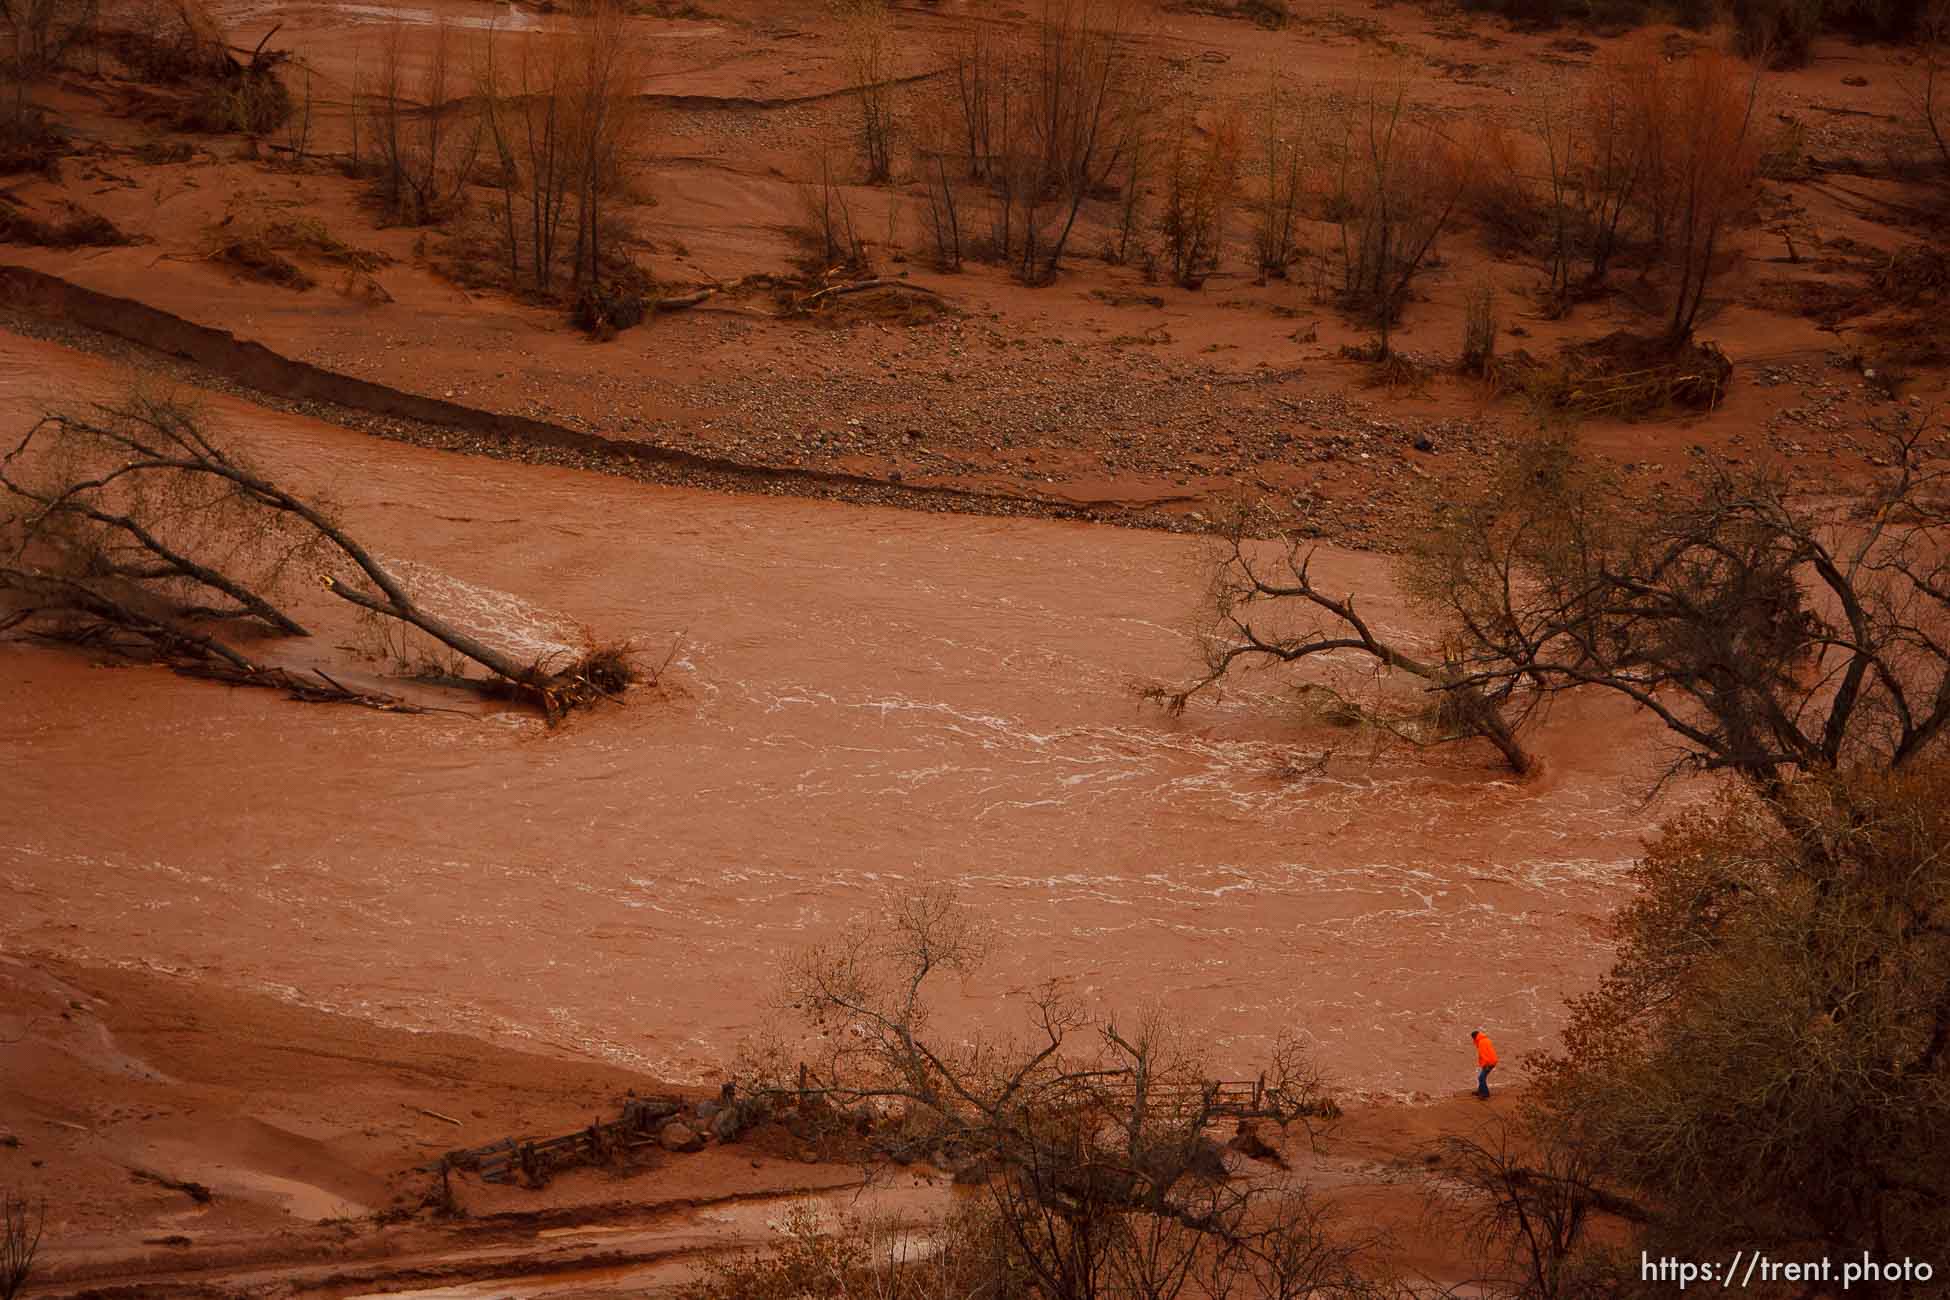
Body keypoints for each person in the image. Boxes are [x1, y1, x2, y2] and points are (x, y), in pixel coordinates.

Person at [1471, 1029, 1497, 1099]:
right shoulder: (1485, 1040)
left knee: (1481, 1078)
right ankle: (1480, 1091)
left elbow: (1484, 1054)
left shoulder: (1481, 1043)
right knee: (1482, 1077)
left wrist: (1486, 1065)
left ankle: (1485, 1094)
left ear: (1474, 1037)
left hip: (1489, 1062)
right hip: (1492, 1060)